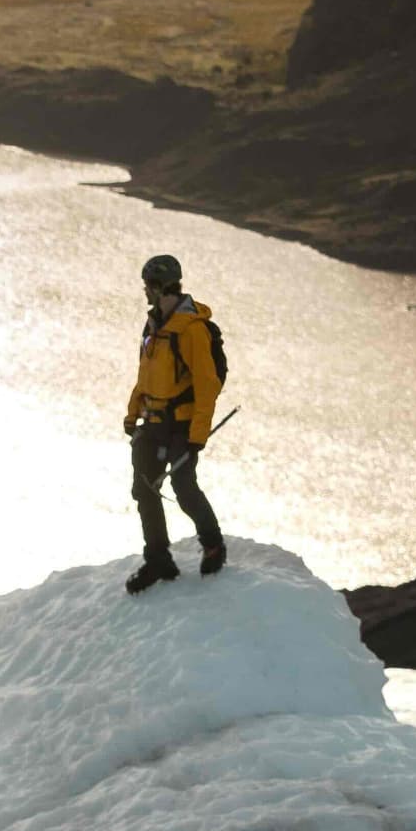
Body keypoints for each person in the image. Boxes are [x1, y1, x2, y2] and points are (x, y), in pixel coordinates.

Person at [122, 250, 226, 591]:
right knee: (144, 490)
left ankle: (213, 543)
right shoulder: (154, 324)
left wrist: (198, 434)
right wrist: (132, 412)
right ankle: (158, 561)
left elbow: (207, 384)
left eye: (147, 285)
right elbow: (146, 374)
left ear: (159, 286)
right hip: (151, 423)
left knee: (183, 488)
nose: (144, 291)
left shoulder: (190, 330)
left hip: (180, 425)